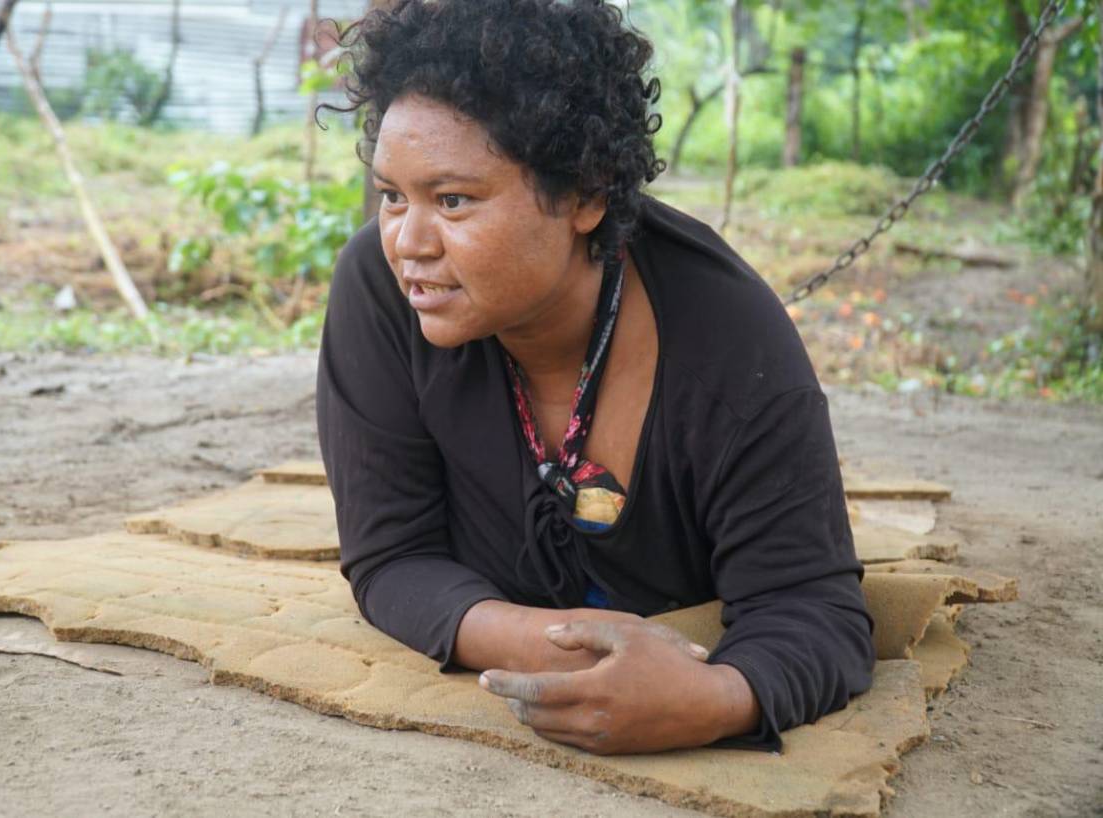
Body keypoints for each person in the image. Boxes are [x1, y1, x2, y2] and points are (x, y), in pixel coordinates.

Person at [316, 0, 874, 756]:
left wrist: (713, 699)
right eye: (392, 196)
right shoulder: (381, 291)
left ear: (585, 194)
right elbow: (393, 558)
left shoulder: (730, 344)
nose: (408, 242)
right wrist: (553, 646)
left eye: (453, 200)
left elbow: (813, 608)